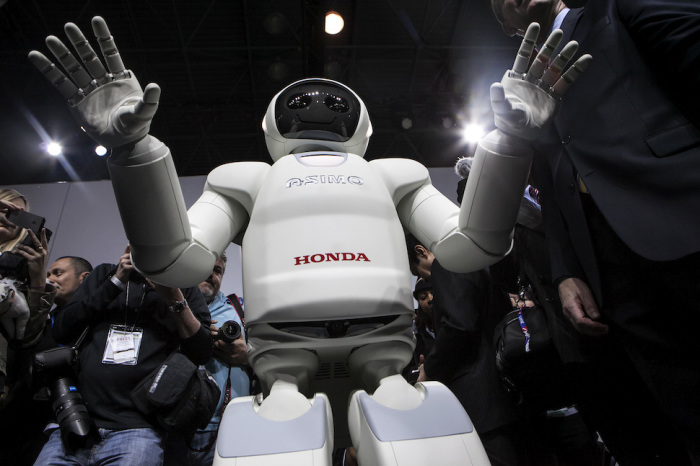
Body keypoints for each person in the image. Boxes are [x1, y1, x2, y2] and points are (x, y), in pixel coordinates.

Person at [30, 17, 589, 464]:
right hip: (287, 358)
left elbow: (470, 245)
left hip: (379, 349)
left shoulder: (394, 174)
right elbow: (175, 260)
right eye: (301, 101)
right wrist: (133, 153)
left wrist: (510, 143)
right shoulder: (246, 180)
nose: (317, 105)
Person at [490, 0, 700, 462]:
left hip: (683, 213)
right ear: (508, 26)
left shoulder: (613, 11)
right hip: (607, 263)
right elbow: (549, 186)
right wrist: (566, 270)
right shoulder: (521, 88)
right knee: (684, 405)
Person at [33, 246, 212, 465]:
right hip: (77, 422)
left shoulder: (183, 285)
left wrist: (174, 298)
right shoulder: (104, 274)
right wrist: (116, 281)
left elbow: (202, 352)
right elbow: (62, 330)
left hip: (138, 429)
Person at [405, 233, 526, 466]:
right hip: (503, 392)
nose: (421, 277)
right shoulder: (474, 257)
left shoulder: (446, 264)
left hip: (481, 399)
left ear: (421, 251)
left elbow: (459, 326)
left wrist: (429, 370)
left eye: (416, 270)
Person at [0, 255, 92, 466]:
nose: (51, 279)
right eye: (48, 274)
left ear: (84, 278)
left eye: (58, 273)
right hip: (18, 416)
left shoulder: (93, 325)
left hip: (59, 421)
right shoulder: (40, 322)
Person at [165, 252, 249, 466]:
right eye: (205, 269)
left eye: (217, 271)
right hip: (172, 425)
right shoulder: (166, 305)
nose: (211, 275)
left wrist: (248, 355)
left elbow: (272, 357)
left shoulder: (239, 308)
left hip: (230, 425)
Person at [0, 188, 54, 399]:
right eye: (3, 208)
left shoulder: (20, 270)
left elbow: (28, 338)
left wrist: (38, 278)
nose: (7, 216)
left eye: (16, 214)